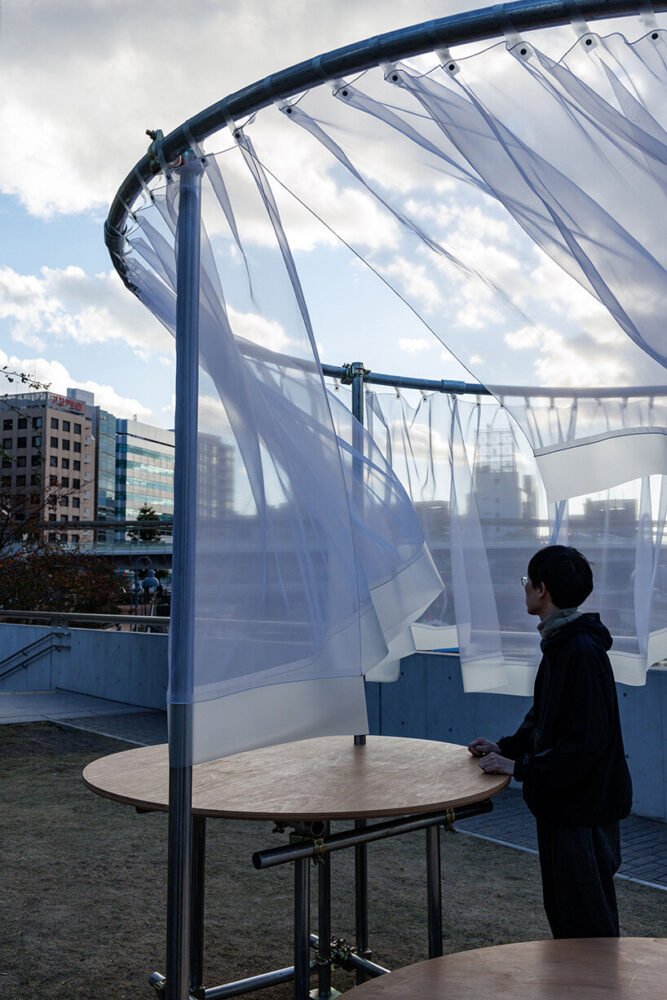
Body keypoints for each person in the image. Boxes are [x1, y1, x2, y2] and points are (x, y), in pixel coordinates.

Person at [468, 545, 632, 938]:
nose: (525, 588)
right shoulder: (564, 644)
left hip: (582, 811)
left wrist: (521, 767)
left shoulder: (580, 650)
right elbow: (543, 719)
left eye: (527, 581)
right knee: (569, 918)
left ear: (542, 590)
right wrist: (504, 748)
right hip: (569, 807)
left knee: (586, 927)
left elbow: (586, 744)